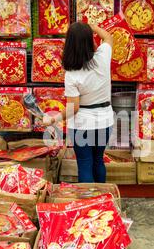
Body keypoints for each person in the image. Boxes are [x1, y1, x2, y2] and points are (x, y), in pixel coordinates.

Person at [42, 22, 114, 183]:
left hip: (82, 124)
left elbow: (73, 108)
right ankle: (101, 201)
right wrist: (93, 28)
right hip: (104, 121)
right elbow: (108, 36)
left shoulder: (72, 74)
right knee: (98, 160)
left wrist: (52, 119)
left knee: (85, 164)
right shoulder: (103, 57)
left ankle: (88, 204)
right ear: (89, 40)